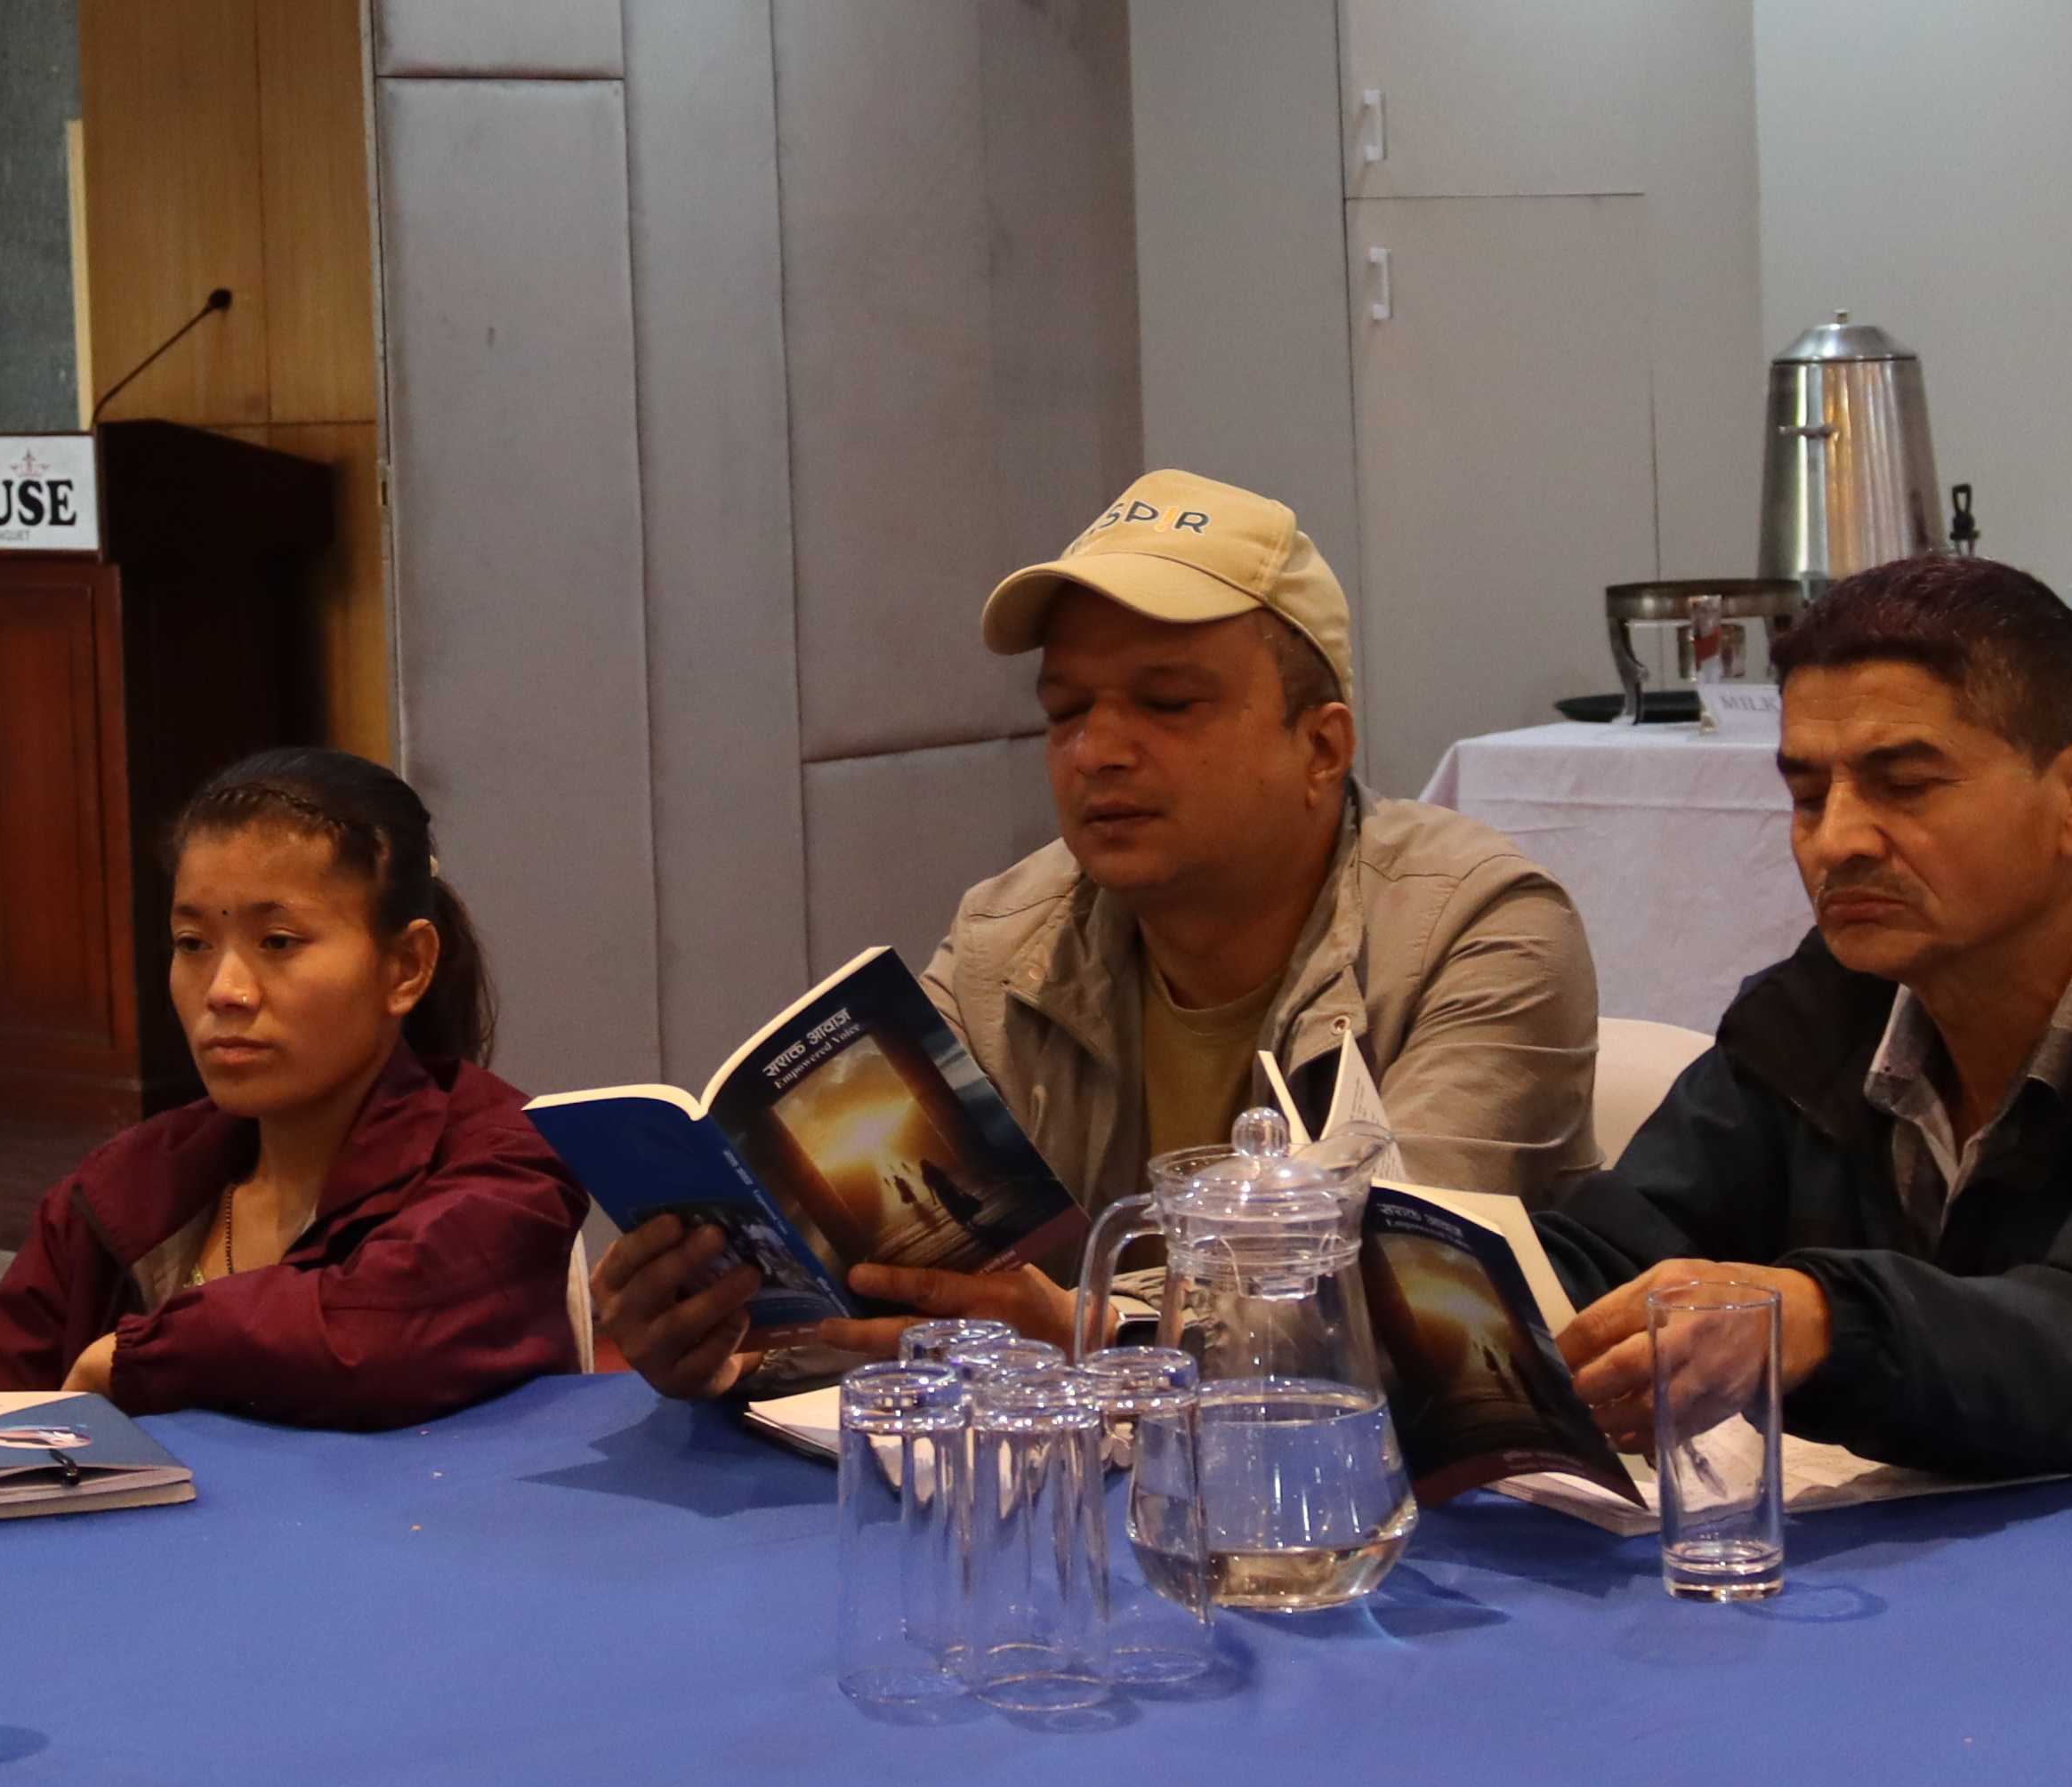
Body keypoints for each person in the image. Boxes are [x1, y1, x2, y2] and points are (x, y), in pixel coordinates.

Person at [598, 468, 1595, 1397]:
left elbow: (1388, 1309)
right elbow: (900, 1287)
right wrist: (736, 1331)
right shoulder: (1006, 940)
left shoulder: (1477, 928)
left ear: (1321, 746)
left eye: (1168, 703)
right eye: (1066, 710)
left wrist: (1100, 1336)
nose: (1097, 751)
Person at [1542, 556, 2072, 1520]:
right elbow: (1620, 1250)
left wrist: (1823, 1321)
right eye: (1808, 795)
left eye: (1906, 786)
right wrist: (1467, 1295)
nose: (1837, 840)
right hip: (1938, 1549)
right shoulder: (1819, 1012)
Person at [0, 746, 584, 1427]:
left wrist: (131, 1360)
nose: (225, 991)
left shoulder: (504, 1159)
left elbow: (371, 1336)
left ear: (407, 966)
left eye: (279, 942)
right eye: (193, 943)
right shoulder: (118, 1191)